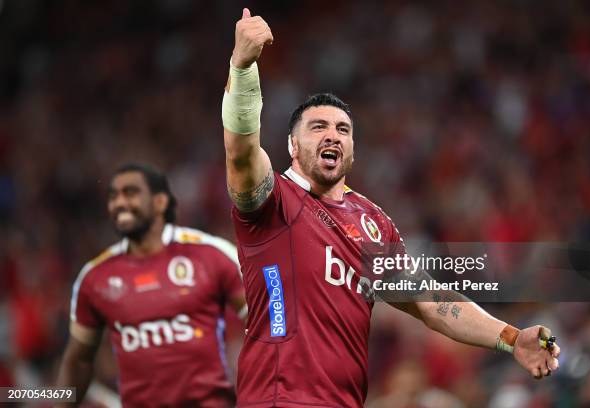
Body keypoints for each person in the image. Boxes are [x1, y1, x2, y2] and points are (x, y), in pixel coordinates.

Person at [221, 8, 561, 408]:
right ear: (293, 147)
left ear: (351, 150)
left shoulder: (372, 222)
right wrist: (242, 68)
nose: (333, 135)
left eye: (343, 130)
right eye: (318, 127)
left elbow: (429, 302)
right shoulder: (273, 201)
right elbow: (241, 153)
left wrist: (510, 337)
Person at [56, 163, 246, 407]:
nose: (119, 203)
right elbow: (78, 362)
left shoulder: (210, 254)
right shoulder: (95, 278)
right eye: (113, 196)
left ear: (160, 202)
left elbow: (265, 324)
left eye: (131, 193)